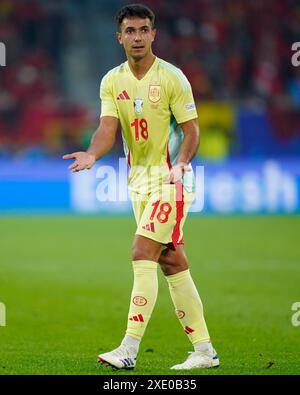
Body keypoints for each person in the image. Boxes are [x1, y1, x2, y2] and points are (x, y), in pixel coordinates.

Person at [63, 3, 219, 370]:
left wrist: (180, 165)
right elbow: (106, 128)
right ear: (119, 37)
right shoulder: (111, 80)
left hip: (170, 180)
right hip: (138, 184)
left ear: (154, 34)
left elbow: (192, 129)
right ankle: (204, 351)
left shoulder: (172, 77)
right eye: (130, 31)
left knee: (141, 252)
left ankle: (128, 349)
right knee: (172, 262)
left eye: (144, 30)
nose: (137, 37)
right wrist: (92, 155)